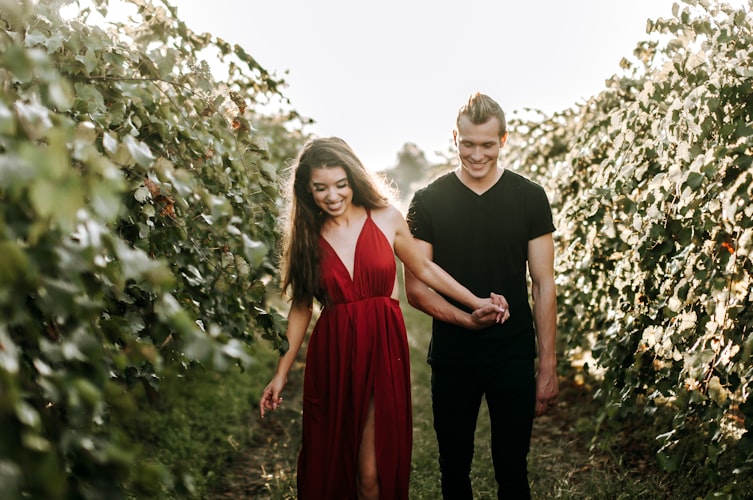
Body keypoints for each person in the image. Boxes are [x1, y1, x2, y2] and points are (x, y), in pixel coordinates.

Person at [259, 137, 508, 500]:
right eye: (320, 188)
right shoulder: (307, 237)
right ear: (306, 190)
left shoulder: (386, 216)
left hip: (381, 345)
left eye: (340, 184)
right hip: (334, 352)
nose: (332, 195)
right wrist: (281, 373)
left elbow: (423, 266)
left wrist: (475, 302)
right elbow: (301, 306)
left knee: (371, 472)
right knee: (331, 457)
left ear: (354, 179)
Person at [404, 92, 558, 499]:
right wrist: (466, 319)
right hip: (454, 355)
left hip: (513, 352)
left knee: (513, 470)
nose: (476, 154)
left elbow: (543, 284)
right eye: (467, 143)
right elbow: (416, 289)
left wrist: (547, 366)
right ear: (454, 137)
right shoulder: (427, 201)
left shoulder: (530, 197)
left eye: (487, 145)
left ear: (504, 141)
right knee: (454, 469)